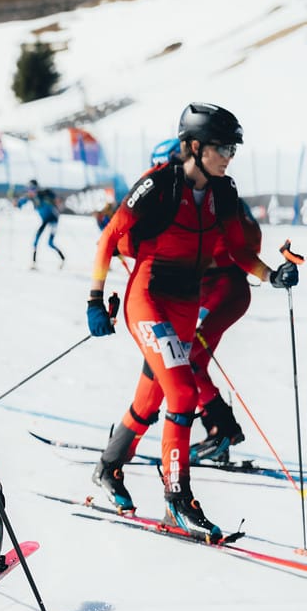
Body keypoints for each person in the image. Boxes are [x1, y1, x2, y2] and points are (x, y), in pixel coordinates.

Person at [86, 103, 297, 540]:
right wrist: (94, 299)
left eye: (234, 149)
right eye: (223, 148)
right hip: (149, 299)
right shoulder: (158, 185)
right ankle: (177, 500)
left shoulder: (223, 192)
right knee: (183, 392)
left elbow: (238, 252)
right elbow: (109, 237)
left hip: (186, 304)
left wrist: (271, 276)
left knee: (150, 399)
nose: (230, 157)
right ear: (195, 147)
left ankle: (108, 466)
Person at [17, 178, 65, 267]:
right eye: (29, 189)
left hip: (53, 219)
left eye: (33, 188)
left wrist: (57, 200)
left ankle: (62, 259)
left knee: (50, 243)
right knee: (36, 240)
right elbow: (21, 202)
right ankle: (34, 262)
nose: (31, 191)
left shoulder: (44, 194)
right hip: (45, 221)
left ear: (37, 188)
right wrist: (17, 204)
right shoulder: (30, 198)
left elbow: (54, 196)